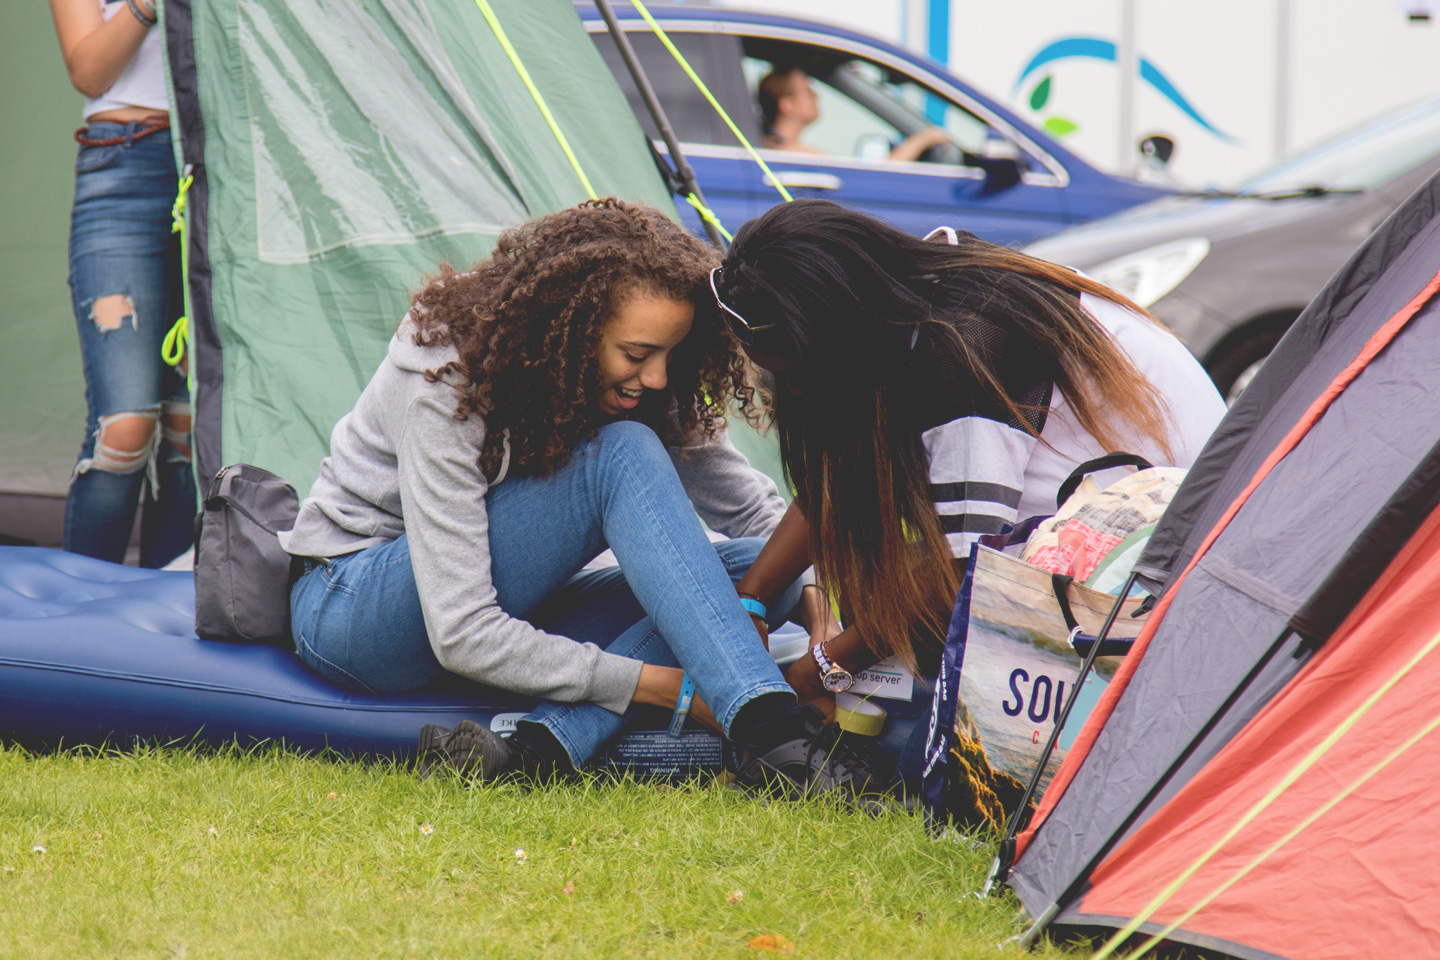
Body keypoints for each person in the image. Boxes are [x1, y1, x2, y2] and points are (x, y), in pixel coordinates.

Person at [279, 199, 875, 796]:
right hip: (356, 608)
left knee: (760, 568)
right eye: (638, 355)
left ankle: (543, 750)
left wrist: (822, 607)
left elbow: (755, 516)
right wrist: (664, 686)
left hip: (505, 601)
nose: (659, 378)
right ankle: (772, 736)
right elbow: (461, 631)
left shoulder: (644, 380)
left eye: (671, 355)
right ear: (569, 331)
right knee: (620, 455)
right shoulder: (446, 383)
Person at [710, 199, 1226, 742]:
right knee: (873, 583)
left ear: (834, 336)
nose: (794, 393)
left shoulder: (963, 351)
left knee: (909, 709)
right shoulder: (920, 287)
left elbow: (957, 578)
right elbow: (838, 486)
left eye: (797, 374)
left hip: (1152, 579)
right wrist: (752, 599)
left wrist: (817, 670)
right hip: (1123, 537)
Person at [50, 0, 196, 567]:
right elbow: (88, 70)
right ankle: (77, 619)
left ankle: (174, 625)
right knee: (124, 428)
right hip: (122, 165)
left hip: (215, 170)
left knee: (190, 428)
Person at [757, 66, 950, 162]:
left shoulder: (771, 146)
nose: (817, 95)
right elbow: (876, 179)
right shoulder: (793, 153)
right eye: (808, 91)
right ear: (787, 105)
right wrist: (923, 139)